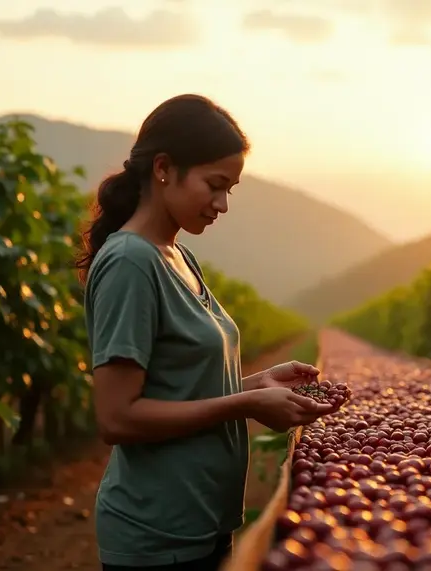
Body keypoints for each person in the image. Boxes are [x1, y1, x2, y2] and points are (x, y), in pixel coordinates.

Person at [75, 94, 333, 571]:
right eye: (215, 185)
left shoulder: (178, 255)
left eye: (231, 189)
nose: (223, 205)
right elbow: (117, 418)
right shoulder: (131, 262)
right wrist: (247, 404)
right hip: (158, 534)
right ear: (164, 168)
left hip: (203, 521)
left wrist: (259, 384)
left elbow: (180, 387)